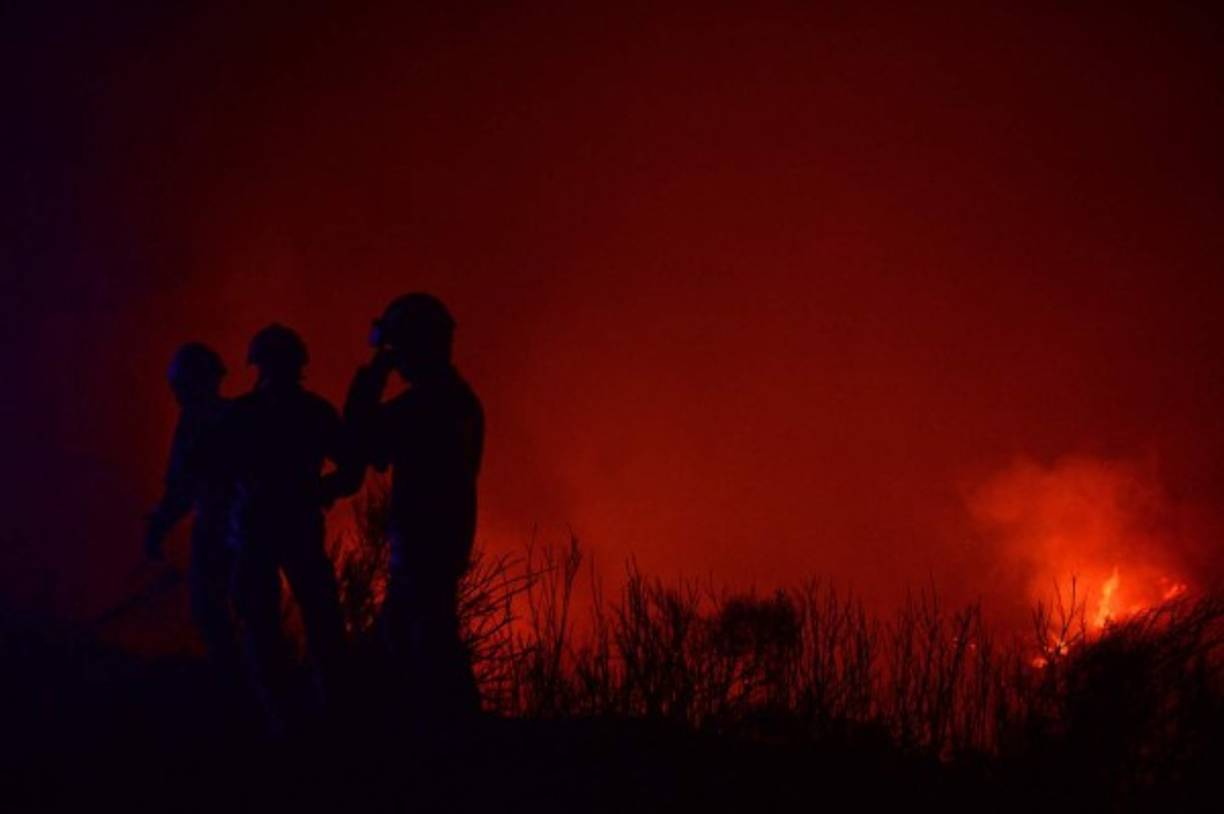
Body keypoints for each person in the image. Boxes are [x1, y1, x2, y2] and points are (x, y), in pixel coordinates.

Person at [342, 293, 484, 729]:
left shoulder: (424, 405)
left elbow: (362, 440)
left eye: (398, 349)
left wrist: (371, 379)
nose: (395, 359)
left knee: (426, 641)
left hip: (422, 542)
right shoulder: (461, 400)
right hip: (443, 538)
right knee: (407, 638)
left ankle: (456, 742)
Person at [212, 324, 353, 734]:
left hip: (266, 532)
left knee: (272, 626)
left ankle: (286, 717)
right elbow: (351, 468)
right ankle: (319, 715)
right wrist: (319, 489)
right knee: (310, 621)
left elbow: (214, 476)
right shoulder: (312, 412)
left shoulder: (241, 415)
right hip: (288, 531)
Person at [145, 342, 240, 684]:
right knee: (250, 612)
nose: (176, 394)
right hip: (248, 529)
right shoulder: (238, 414)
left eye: (180, 386)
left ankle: (232, 684)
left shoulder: (195, 422)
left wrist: (159, 526)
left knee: (209, 609)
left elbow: (182, 486)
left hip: (217, 527)